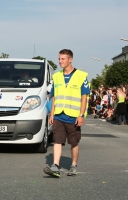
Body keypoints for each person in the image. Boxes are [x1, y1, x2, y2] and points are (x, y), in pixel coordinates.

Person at [44, 49, 90, 177]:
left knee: (74, 142)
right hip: (59, 115)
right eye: (59, 59)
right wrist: (51, 114)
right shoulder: (56, 76)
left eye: (63, 59)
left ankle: (74, 165)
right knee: (57, 141)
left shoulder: (81, 76)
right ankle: (55, 166)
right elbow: (54, 97)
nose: (60, 61)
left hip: (73, 116)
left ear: (70, 59)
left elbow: (84, 97)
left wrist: (81, 115)